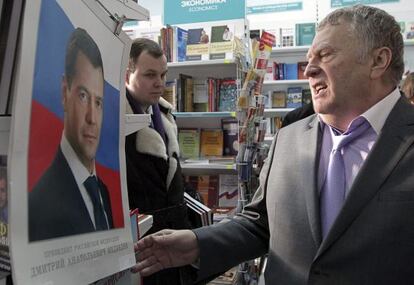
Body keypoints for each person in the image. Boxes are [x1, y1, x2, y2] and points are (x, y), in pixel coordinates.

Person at [133, 5, 414, 284]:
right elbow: (260, 223)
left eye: (325, 55)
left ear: (378, 61)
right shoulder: (288, 139)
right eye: (309, 58)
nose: (310, 70)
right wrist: (198, 243)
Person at [29, 28, 113, 242]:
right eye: (83, 96)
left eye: (99, 102)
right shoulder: (39, 204)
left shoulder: (103, 192)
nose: (92, 118)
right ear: (64, 92)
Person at [125, 38, 194, 285]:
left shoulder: (164, 114)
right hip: (143, 248)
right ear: (127, 75)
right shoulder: (116, 124)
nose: (160, 84)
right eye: (150, 75)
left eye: (163, 75)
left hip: (176, 240)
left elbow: (173, 175)